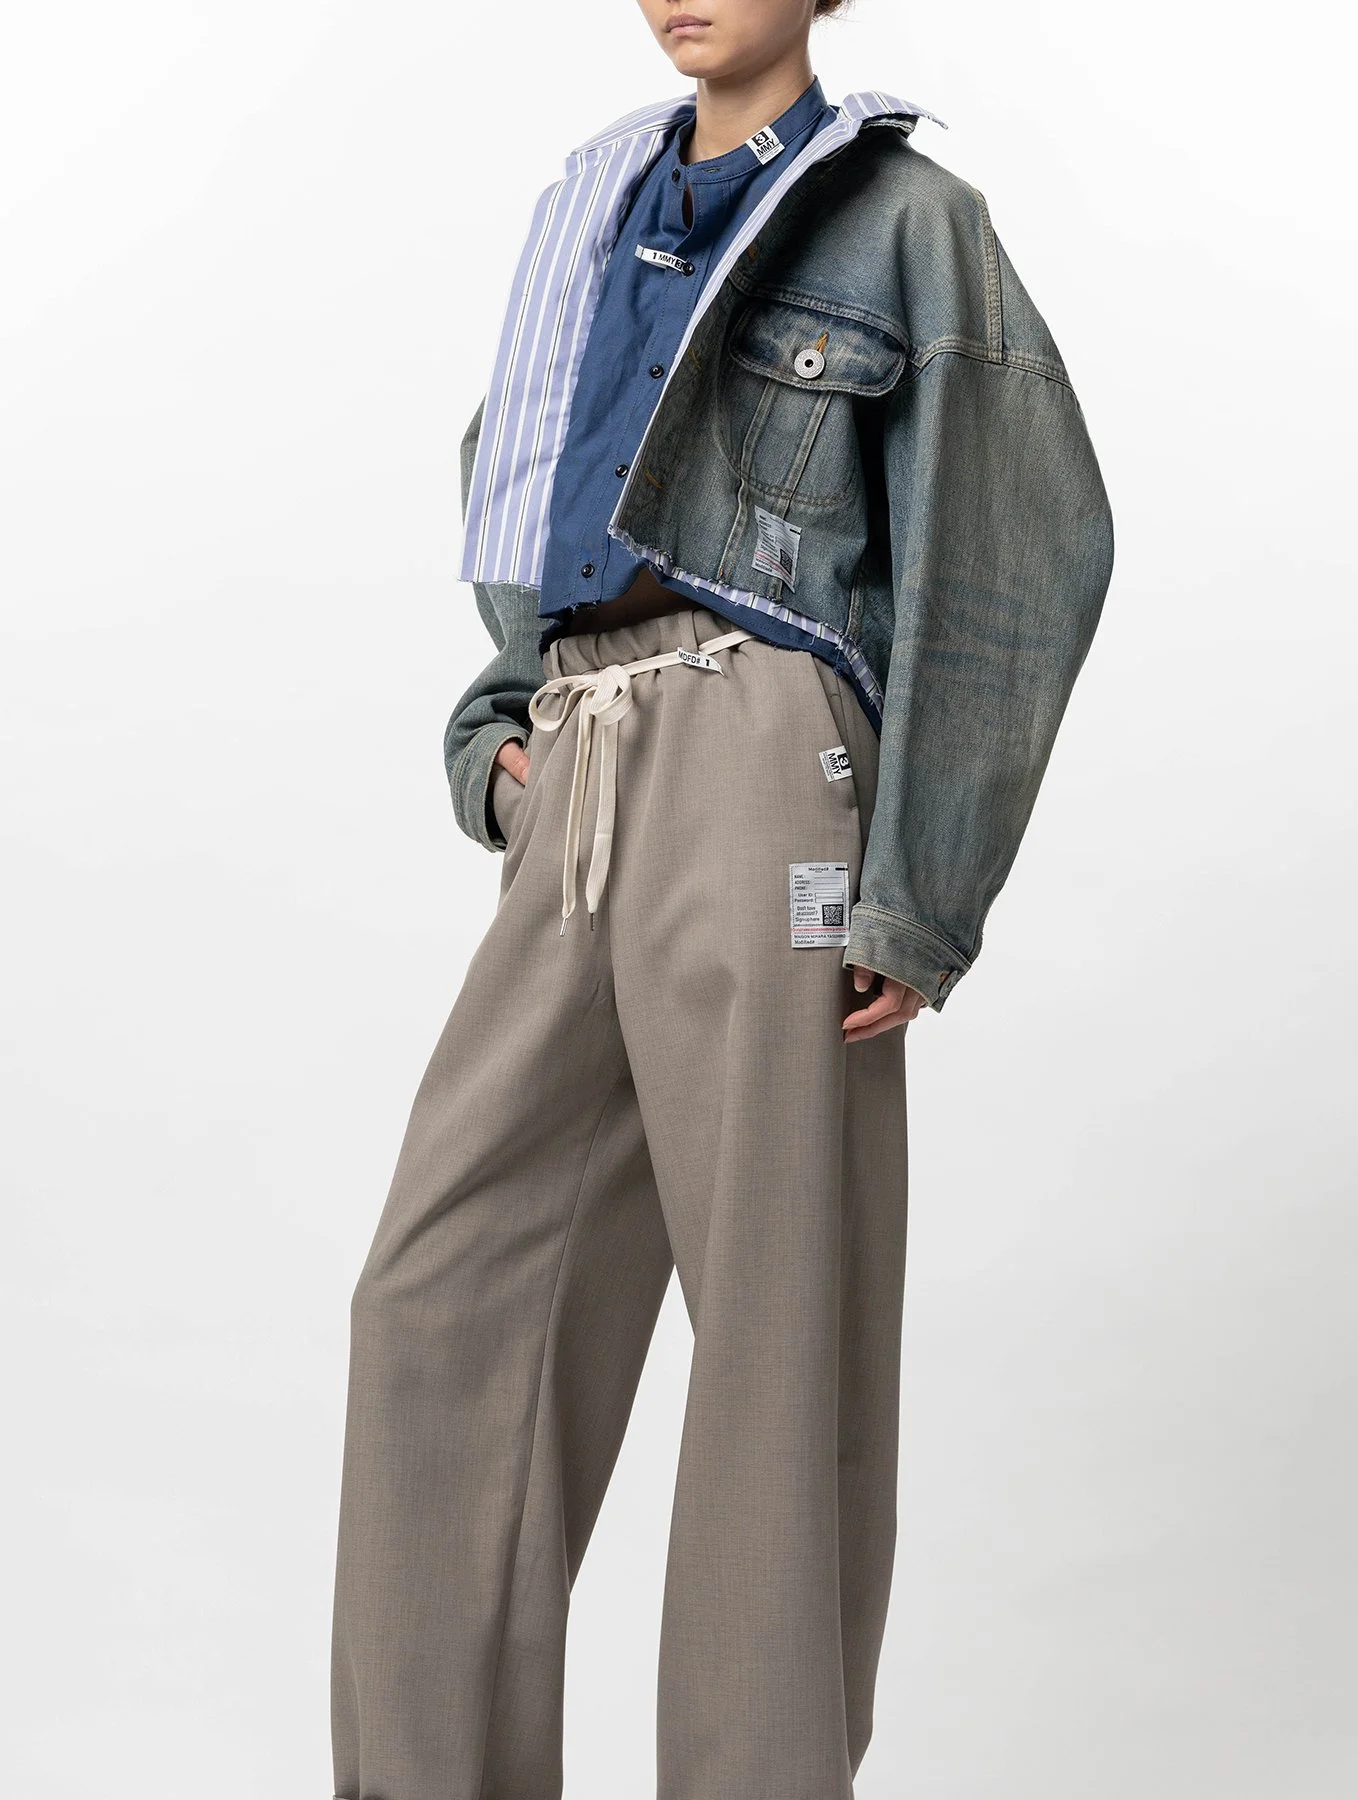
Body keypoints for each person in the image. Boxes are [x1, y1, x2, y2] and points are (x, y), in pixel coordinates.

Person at [330, 1, 1114, 1795]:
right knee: (435, 1300)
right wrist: (503, 741)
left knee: (774, 1340)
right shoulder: (591, 210)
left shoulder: (903, 219)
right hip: (583, 766)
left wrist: (921, 888)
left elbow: (1026, 537)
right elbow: (534, 515)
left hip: (767, 766)